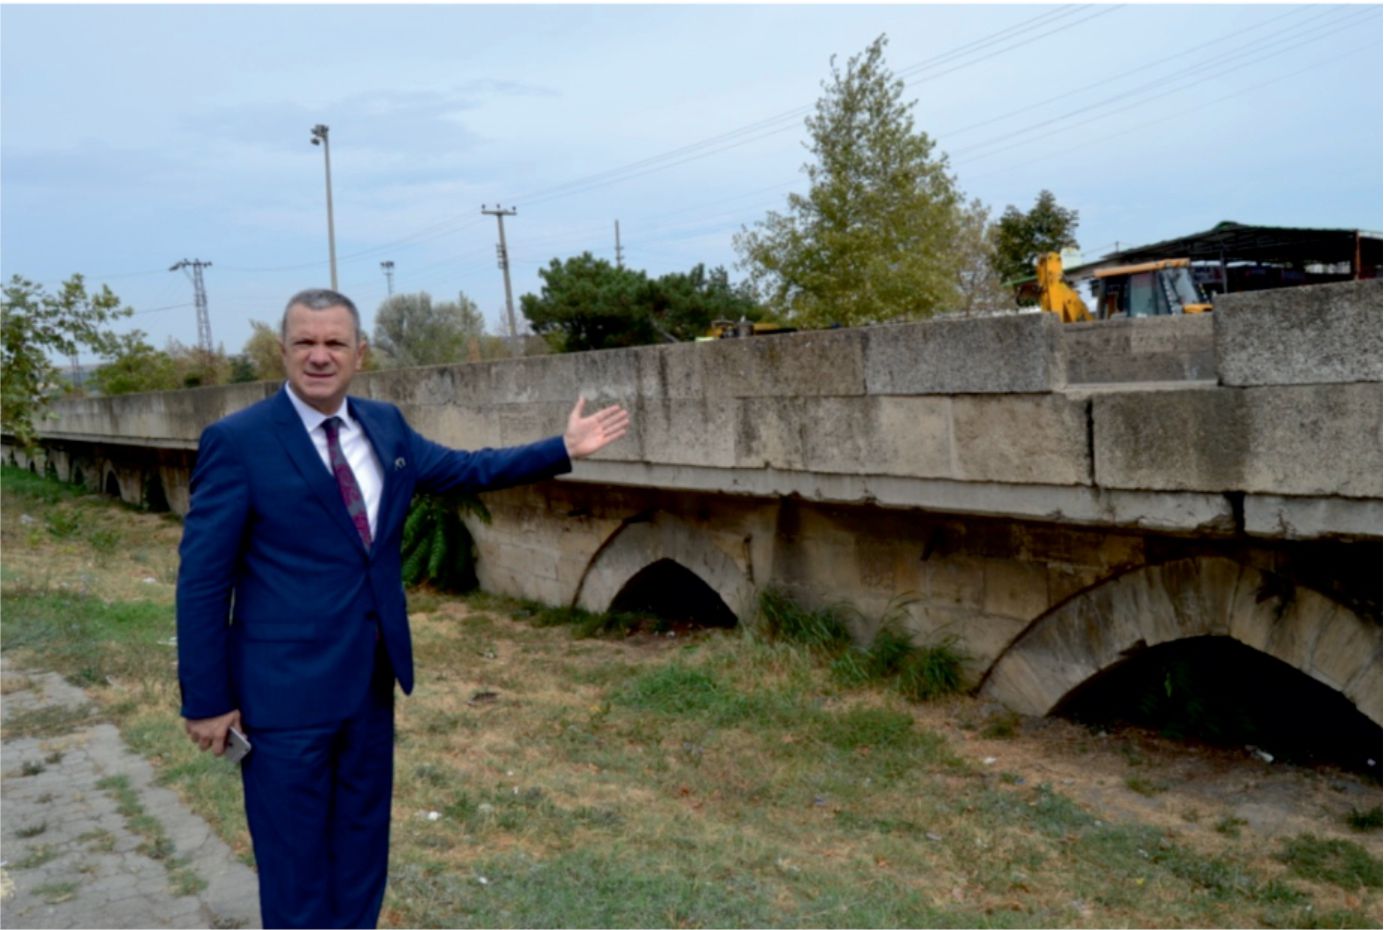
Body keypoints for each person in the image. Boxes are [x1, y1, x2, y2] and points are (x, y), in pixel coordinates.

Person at [176, 288, 629, 928]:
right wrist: (205, 698)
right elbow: (201, 580)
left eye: (335, 343)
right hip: (283, 699)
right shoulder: (238, 441)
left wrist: (563, 448)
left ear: (359, 354)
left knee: (362, 856)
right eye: (305, 342)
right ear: (282, 352)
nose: (319, 356)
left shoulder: (383, 425)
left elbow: (468, 469)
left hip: (369, 685)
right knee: (296, 869)